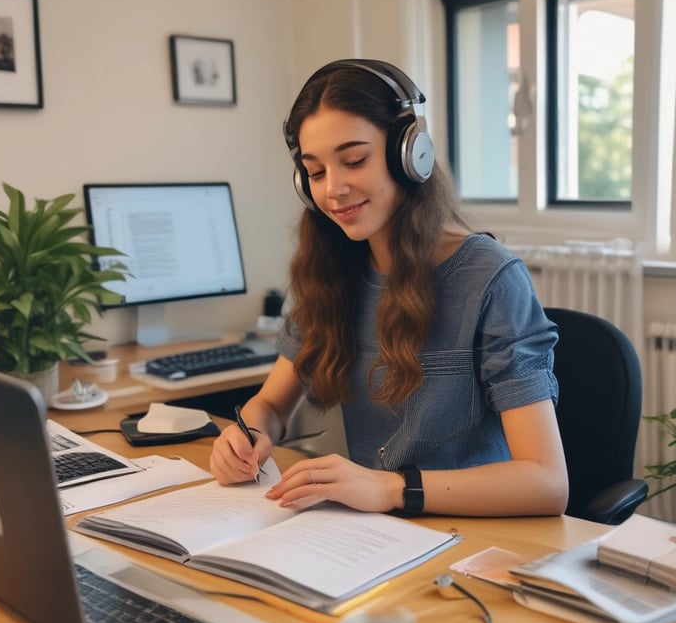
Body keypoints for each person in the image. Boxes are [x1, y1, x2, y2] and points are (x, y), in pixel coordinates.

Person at [210, 59, 569, 517]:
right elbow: (273, 407)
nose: (333, 190)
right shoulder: (329, 270)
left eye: (354, 160)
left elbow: (546, 481)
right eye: (315, 172)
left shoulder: (490, 279)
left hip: (469, 535)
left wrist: (390, 489)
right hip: (371, 535)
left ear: (411, 155)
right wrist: (250, 435)